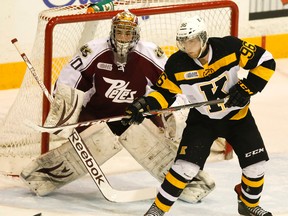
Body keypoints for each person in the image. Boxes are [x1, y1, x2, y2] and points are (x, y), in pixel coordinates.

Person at [20, 10, 219, 203]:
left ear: (136, 34)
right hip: (96, 116)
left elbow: (174, 88)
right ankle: (41, 177)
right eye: (119, 32)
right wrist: (64, 115)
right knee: (97, 139)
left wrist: (172, 118)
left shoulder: (151, 54)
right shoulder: (93, 50)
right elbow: (69, 82)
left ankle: (187, 181)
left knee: (151, 132)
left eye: (128, 32)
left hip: (138, 116)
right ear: (112, 32)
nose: (123, 37)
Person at [123, 15, 276, 216]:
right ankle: (156, 211)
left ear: (203, 38)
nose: (188, 46)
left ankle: (248, 204)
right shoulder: (177, 64)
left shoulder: (229, 47)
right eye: (184, 41)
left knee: (256, 166)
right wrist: (144, 105)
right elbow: (164, 93)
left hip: (238, 118)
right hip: (203, 122)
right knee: (185, 168)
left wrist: (247, 88)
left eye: (192, 40)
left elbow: (266, 61)